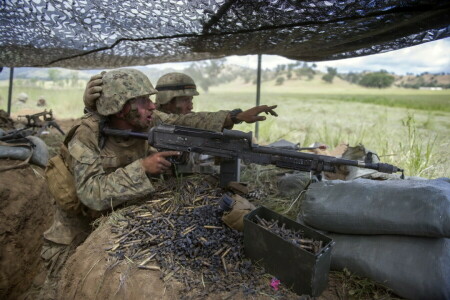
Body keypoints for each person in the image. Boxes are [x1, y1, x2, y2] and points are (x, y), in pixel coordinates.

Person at [42, 68, 278, 275]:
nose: (153, 106)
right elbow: (91, 193)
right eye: (144, 100)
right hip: (75, 231)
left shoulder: (149, 119)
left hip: (112, 221)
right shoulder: (86, 134)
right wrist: (143, 168)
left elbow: (185, 122)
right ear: (122, 107)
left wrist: (233, 117)